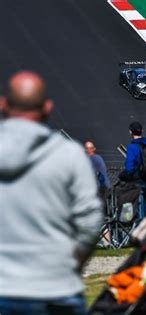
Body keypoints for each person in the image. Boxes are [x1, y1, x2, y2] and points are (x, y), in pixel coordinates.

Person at [0, 71, 102, 315]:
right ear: (47, 108)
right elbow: (90, 223)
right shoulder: (70, 155)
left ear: (4, 105)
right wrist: (68, 267)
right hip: (55, 289)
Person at [119, 121, 146, 220]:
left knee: (138, 209)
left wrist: (124, 175)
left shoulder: (132, 147)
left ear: (130, 132)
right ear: (142, 131)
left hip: (137, 182)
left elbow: (129, 167)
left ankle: (139, 230)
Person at [85, 140, 111, 215]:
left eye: (88, 148)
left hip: (100, 188)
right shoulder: (98, 158)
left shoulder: (91, 159)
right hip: (105, 187)